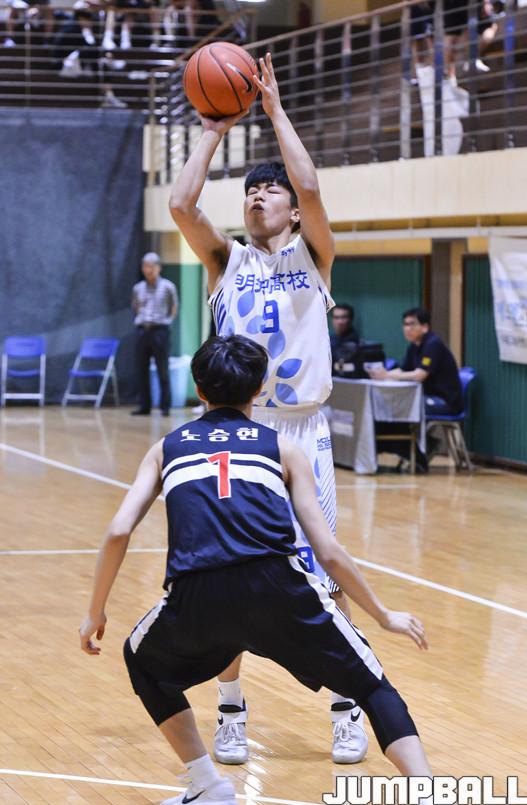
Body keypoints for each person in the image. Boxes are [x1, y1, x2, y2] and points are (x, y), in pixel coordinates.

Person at [79, 334, 454, 805]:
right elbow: (328, 551)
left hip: (197, 594)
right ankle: (429, 797)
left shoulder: (166, 448)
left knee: (143, 662)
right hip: (280, 587)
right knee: (373, 686)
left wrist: (95, 612)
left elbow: (118, 530)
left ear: (199, 389)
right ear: (259, 390)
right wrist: (383, 615)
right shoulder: (283, 447)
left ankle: (207, 785)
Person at [168, 52, 367, 765]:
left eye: (268, 190)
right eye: (250, 191)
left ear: (290, 209)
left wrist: (276, 111)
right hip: (238, 428)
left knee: (323, 569)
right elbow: (181, 206)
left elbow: (310, 184)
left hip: (303, 429)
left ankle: (347, 705)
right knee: (228, 572)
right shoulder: (227, 262)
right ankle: (231, 710)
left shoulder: (315, 254)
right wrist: (213, 130)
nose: (258, 197)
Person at [368, 307, 463, 471]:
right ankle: (411, 450)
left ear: (425, 327)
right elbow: (403, 370)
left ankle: (418, 452)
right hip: (425, 396)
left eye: (412, 324)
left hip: (445, 401)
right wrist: (382, 374)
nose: (407, 328)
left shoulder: (433, 344)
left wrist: (388, 375)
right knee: (392, 406)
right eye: (405, 324)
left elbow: (420, 375)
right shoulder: (414, 346)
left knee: (402, 408)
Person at [131, 252, 178, 417]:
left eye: (152, 266)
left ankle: (165, 407)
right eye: (145, 266)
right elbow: (135, 307)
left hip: (160, 331)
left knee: (162, 370)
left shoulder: (168, 287)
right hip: (142, 331)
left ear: (159, 267)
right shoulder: (138, 288)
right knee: (141, 370)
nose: (148, 269)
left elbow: (174, 308)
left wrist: (166, 322)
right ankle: (145, 406)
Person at [330, 303, 360, 374]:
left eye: (343, 317)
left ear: (350, 319)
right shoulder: (330, 341)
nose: (339, 322)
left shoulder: (357, 345)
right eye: (336, 317)